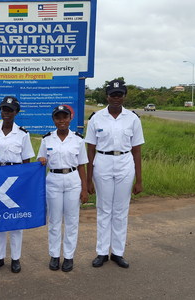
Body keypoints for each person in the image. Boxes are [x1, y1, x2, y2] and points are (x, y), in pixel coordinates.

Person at [85, 79, 144, 268]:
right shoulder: (96, 118)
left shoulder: (133, 118)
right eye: (113, 95)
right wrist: (88, 180)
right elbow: (90, 150)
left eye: (120, 95)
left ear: (124, 96)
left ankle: (118, 252)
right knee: (104, 209)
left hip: (125, 163)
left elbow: (136, 150)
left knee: (120, 210)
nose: (116, 98)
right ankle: (102, 252)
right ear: (107, 96)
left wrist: (139, 180)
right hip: (102, 162)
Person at [0, 96, 35, 273]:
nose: (7, 113)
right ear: (0, 111)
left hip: (15, 179)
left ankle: (15, 258)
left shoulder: (23, 134)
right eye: (4, 109)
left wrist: (26, 185)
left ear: (16, 112)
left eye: (10, 110)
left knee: (15, 219)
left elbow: (27, 161)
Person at [37, 105, 89, 272]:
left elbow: (82, 165)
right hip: (53, 180)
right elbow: (41, 160)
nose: (61, 120)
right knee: (54, 220)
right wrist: (41, 160)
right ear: (54, 120)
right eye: (58, 117)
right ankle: (54, 255)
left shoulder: (78, 139)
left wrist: (84, 188)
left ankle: (68, 256)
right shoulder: (47, 139)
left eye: (64, 117)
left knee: (72, 220)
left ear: (70, 118)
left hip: (73, 179)